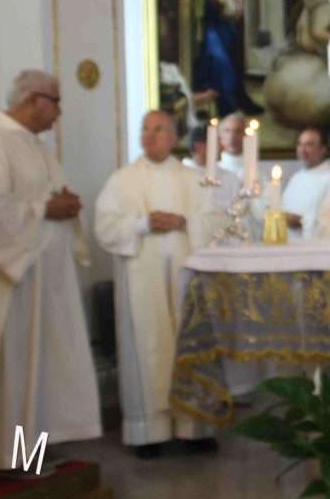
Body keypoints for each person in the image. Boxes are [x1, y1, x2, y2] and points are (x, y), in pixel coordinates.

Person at [0, 70, 101, 468]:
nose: (59, 111)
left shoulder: (35, 146)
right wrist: (46, 210)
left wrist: (65, 204)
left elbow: (45, 196)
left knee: (41, 363)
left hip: (45, 276)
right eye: (55, 101)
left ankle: (37, 442)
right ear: (32, 99)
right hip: (14, 279)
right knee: (14, 363)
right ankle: (2, 453)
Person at [94, 110, 216, 458]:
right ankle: (149, 431)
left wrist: (183, 220)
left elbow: (214, 220)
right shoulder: (122, 180)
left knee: (189, 341)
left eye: (159, 129)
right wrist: (143, 225)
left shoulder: (193, 179)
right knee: (147, 345)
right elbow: (105, 226)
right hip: (141, 275)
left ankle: (196, 428)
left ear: (174, 137)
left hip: (186, 272)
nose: (149, 135)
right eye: (144, 128)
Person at [281, 127, 330, 239]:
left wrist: (302, 221)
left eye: (309, 145)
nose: (302, 150)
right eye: (300, 144)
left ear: (322, 149)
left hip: (316, 247)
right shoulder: (295, 178)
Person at [182, 123, 241, 205]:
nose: (222, 147)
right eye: (217, 143)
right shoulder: (180, 176)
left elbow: (239, 210)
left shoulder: (230, 178)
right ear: (199, 147)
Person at [217, 112, 245, 177]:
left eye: (238, 131)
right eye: (227, 131)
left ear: (244, 135)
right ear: (220, 136)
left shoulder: (254, 171)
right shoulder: (212, 169)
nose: (232, 136)